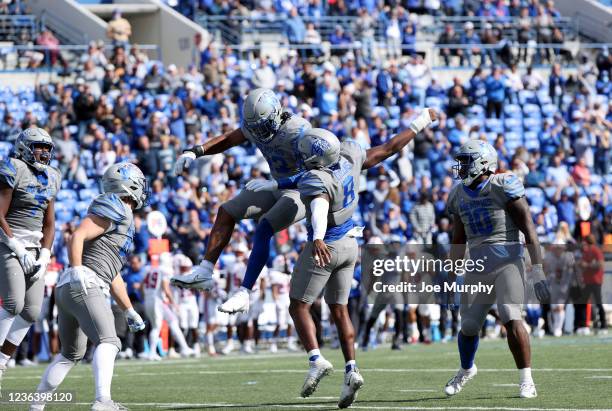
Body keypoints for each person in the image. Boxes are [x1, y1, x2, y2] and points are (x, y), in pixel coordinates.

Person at [249, 108, 436, 408]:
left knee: (298, 306)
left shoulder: (315, 179)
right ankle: (351, 369)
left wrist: (317, 237)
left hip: (328, 246)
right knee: (340, 309)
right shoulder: (348, 158)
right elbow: (389, 148)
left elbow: (319, 203)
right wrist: (420, 122)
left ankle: (315, 359)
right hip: (352, 244)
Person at [171, 88, 312, 316]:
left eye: (262, 127)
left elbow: (317, 173)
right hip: (274, 184)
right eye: (254, 128)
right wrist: (196, 151)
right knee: (226, 211)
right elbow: (229, 139)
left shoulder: (299, 130)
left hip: (299, 191)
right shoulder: (257, 123)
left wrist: (277, 184)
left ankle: (245, 292)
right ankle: (205, 271)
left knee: (265, 226)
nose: (258, 132)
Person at [30, 162, 146, 411]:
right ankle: (103, 401)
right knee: (110, 341)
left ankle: (36, 406)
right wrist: (77, 267)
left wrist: (128, 310)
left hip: (71, 287)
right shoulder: (117, 206)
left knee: (70, 354)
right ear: (130, 184)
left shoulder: (123, 217)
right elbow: (77, 236)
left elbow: (112, 272)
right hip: (83, 282)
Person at [444, 140, 550, 399]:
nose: (461, 167)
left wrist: (538, 271)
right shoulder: (458, 194)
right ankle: (466, 369)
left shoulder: (504, 185)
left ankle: (527, 379)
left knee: (510, 315)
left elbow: (529, 229)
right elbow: (458, 240)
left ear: (482, 163)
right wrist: (450, 277)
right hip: (478, 267)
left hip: (507, 263)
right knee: (468, 326)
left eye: (467, 161)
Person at [0, 128, 61, 391]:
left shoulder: (51, 176)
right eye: (39, 147)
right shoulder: (13, 168)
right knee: (13, 303)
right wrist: (16, 246)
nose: (44, 152)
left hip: (35, 248)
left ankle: (3, 360)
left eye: (47, 148)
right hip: (7, 241)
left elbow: (49, 224)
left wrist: (45, 254)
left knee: (33, 311)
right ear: (25, 146)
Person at [143, 253, 194, 360]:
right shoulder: (164, 270)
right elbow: (166, 289)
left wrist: (148, 297)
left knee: (173, 321)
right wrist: (174, 303)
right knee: (156, 327)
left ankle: (185, 348)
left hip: (150, 300)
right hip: (158, 301)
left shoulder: (151, 270)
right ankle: (152, 353)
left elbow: (141, 286)